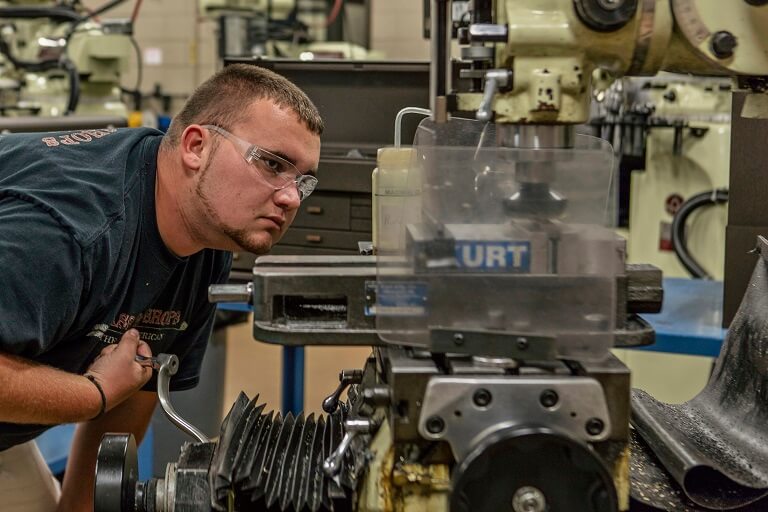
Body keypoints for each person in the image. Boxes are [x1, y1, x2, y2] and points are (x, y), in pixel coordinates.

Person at [0, 63, 323, 511]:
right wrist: (92, 394)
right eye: (272, 164)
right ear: (195, 146)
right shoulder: (71, 230)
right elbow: (109, 393)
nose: (291, 198)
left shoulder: (205, 238)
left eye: (303, 181)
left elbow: (136, 386)